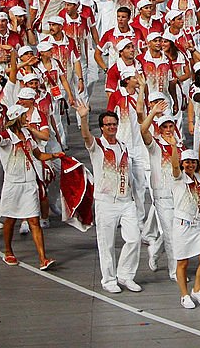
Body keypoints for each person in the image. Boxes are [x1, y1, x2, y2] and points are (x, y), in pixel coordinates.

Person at [0, 104, 63, 270]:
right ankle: (8, 251)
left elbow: (38, 154)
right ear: (17, 118)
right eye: (23, 115)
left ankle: (43, 258)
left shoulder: (28, 133)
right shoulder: (7, 136)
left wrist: (54, 156)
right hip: (13, 185)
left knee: (34, 220)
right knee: (10, 220)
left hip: (29, 183)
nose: (26, 118)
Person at [79, 103, 143, 293]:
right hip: (106, 202)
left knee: (134, 238)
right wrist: (83, 117)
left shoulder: (123, 146)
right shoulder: (97, 146)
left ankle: (126, 275)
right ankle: (109, 280)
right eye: (108, 125)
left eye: (114, 124)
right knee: (106, 244)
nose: (112, 127)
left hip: (126, 201)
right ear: (102, 127)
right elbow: (85, 136)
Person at [167, 146, 200, 309]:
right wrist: (174, 147)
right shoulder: (178, 178)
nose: (190, 165)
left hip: (199, 224)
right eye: (187, 162)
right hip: (182, 225)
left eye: (193, 162)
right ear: (182, 163)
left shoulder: (199, 179)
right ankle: (184, 295)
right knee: (182, 263)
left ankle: (197, 290)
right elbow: (173, 166)